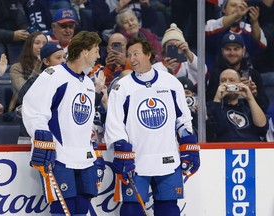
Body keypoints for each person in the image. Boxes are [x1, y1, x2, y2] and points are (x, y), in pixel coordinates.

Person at [105, 38, 200, 216]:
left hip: (168, 159)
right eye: (129, 55)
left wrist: (189, 146)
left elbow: (183, 120)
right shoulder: (122, 87)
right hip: (136, 160)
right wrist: (121, 148)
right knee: (131, 209)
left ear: (148, 54)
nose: (131, 59)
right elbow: (114, 123)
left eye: (136, 54)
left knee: (169, 209)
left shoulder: (171, 83)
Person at [22, 30, 105, 216]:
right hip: (60, 157)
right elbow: (32, 108)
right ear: (84, 51)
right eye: (96, 50)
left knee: (81, 209)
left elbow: (83, 123)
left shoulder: (88, 84)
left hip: (84, 158)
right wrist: (41, 137)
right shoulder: (54, 75)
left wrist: (92, 149)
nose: (98, 55)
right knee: (62, 210)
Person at [206, 32, 269, 112]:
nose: (232, 53)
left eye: (236, 49)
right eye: (228, 49)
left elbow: (264, 107)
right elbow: (208, 104)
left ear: (243, 50)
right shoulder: (214, 74)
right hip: (221, 118)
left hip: (248, 118)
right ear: (222, 51)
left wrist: (253, 96)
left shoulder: (253, 74)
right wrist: (222, 93)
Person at [206, 68, 268, 142]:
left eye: (231, 80)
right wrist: (217, 99)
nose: (227, 84)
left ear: (239, 84)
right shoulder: (212, 106)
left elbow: (262, 127)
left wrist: (250, 98)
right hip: (224, 149)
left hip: (252, 148)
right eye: (223, 81)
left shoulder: (248, 106)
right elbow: (217, 129)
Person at [205, 0, 267, 70]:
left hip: (245, 76)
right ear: (224, 9)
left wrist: (255, 22)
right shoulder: (212, 23)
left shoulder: (249, 28)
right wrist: (236, 15)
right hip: (216, 76)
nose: (238, 9)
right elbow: (211, 30)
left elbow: (262, 44)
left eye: (241, 7)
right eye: (233, 6)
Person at [153, 23, 207, 87]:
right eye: (171, 45)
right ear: (164, 48)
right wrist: (169, 73)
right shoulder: (156, 68)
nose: (175, 48)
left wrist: (188, 52)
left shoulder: (188, 66)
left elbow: (203, 71)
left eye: (178, 45)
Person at [9, 31, 47, 112]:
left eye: (45, 44)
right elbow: (25, 91)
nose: (41, 47)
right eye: (37, 43)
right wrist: (38, 64)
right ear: (29, 46)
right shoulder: (16, 68)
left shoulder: (51, 67)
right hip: (20, 109)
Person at [92, 0, 157, 35]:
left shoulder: (138, 1)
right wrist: (116, 11)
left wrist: (147, 8)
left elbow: (151, 22)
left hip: (139, 36)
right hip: (114, 39)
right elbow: (99, 26)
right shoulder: (101, 2)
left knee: (155, 49)